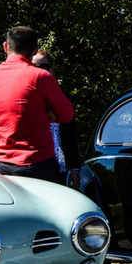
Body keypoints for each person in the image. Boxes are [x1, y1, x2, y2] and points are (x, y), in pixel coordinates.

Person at [0, 27, 74, 183]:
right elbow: (67, 114)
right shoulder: (41, 77)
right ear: (35, 51)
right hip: (38, 165)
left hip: (2, 166)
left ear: (6, 47)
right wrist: (48, 110)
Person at [31, 50, 81, 188]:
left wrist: (75, 168)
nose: (39, 71)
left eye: (43, 66)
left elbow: (71, 136)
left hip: (60, 167)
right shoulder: (26, 100)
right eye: (34, 67)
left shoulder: (61, 98)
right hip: (34, 167)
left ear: (51, 70)